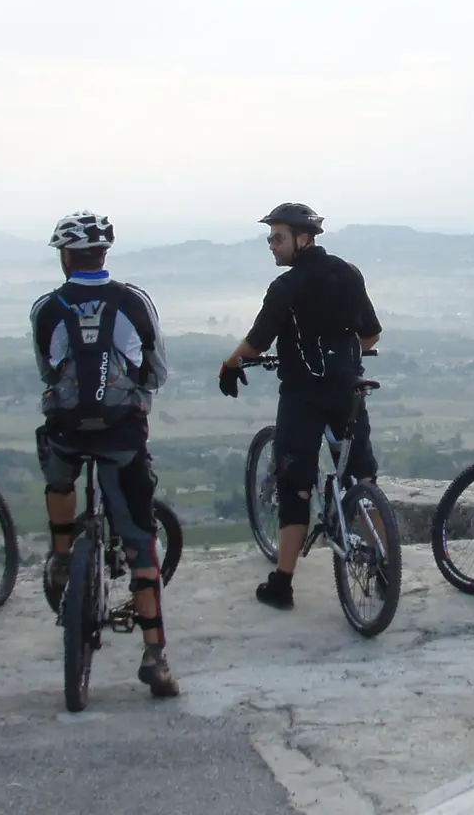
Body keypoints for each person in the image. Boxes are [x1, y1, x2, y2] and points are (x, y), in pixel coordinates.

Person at [30, 211, 178, 697]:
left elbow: (48, 373)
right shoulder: (133, 301)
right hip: (121, 435)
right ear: (104, 254)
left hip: (68, 433)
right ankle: (155, 656)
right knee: (140, 543)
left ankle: (59, 554)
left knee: (58, 476)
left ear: (65, 256)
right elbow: (155, 370)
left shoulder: (47, 307)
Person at [218, 203, 383, 610]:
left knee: (296, 485)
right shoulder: (348, 273)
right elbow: (371, 335)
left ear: (302, 239)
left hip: (302, 397)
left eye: (277, 237)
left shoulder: (286, 287)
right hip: (347, 391)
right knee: (363, 478)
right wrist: (341, 356)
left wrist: (231, 363)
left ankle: (283, 583)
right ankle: (382, 564)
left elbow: (258, 342)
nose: (271, 245)